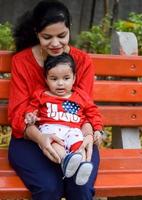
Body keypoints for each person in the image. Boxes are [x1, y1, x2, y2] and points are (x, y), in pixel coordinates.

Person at [8, 0, 102, 199]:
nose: (56, 43)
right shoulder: (22, 62)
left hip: (75, 136)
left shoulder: (82, 62)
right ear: (36, 33)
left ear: (69, 30)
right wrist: (42, 139)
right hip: (31, 139)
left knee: (80, 187)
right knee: (49, 188)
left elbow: (85, 108)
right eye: (47, 37)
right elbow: (17, 116)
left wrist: (88, 136)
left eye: (62, 36)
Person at [24, 52, 103, 186]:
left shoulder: (80, 96)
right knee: (56, 145)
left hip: (74, 130)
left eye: (66, 78)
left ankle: (82, 168)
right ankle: (66, 161)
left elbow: (93, 113)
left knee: (79, 146)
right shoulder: (41, 95)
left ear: (74, 78)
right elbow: (31, 110)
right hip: (52, 130)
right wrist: (30, 117)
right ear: (46, 79)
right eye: (54, 79)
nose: (60, 83)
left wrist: (97, 129)